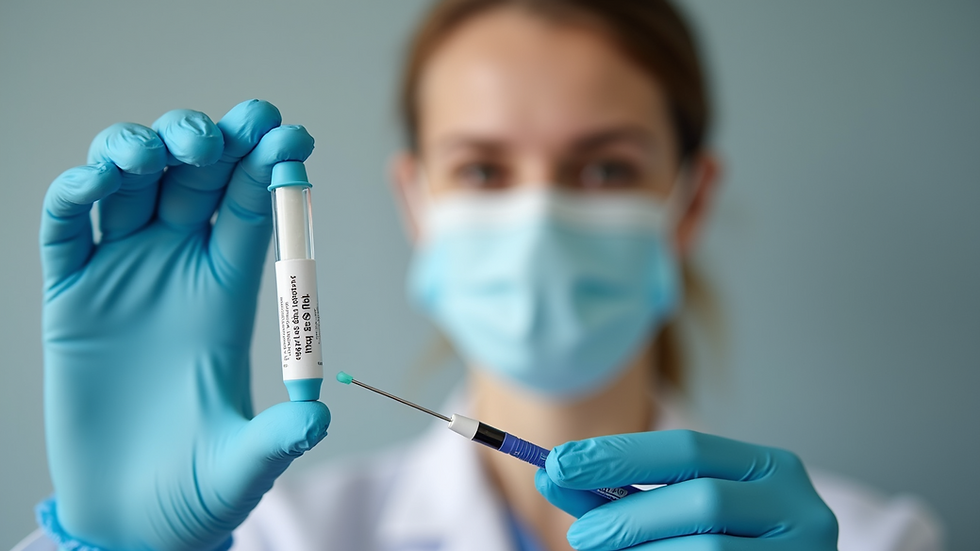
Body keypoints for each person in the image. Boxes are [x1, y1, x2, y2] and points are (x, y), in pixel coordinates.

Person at [16, 1, 943, 550]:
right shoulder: (280, 537)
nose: (536, 216)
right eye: (484, 171)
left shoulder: (869, 537)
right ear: (417, 202)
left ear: (690, 200)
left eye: (605, 168)